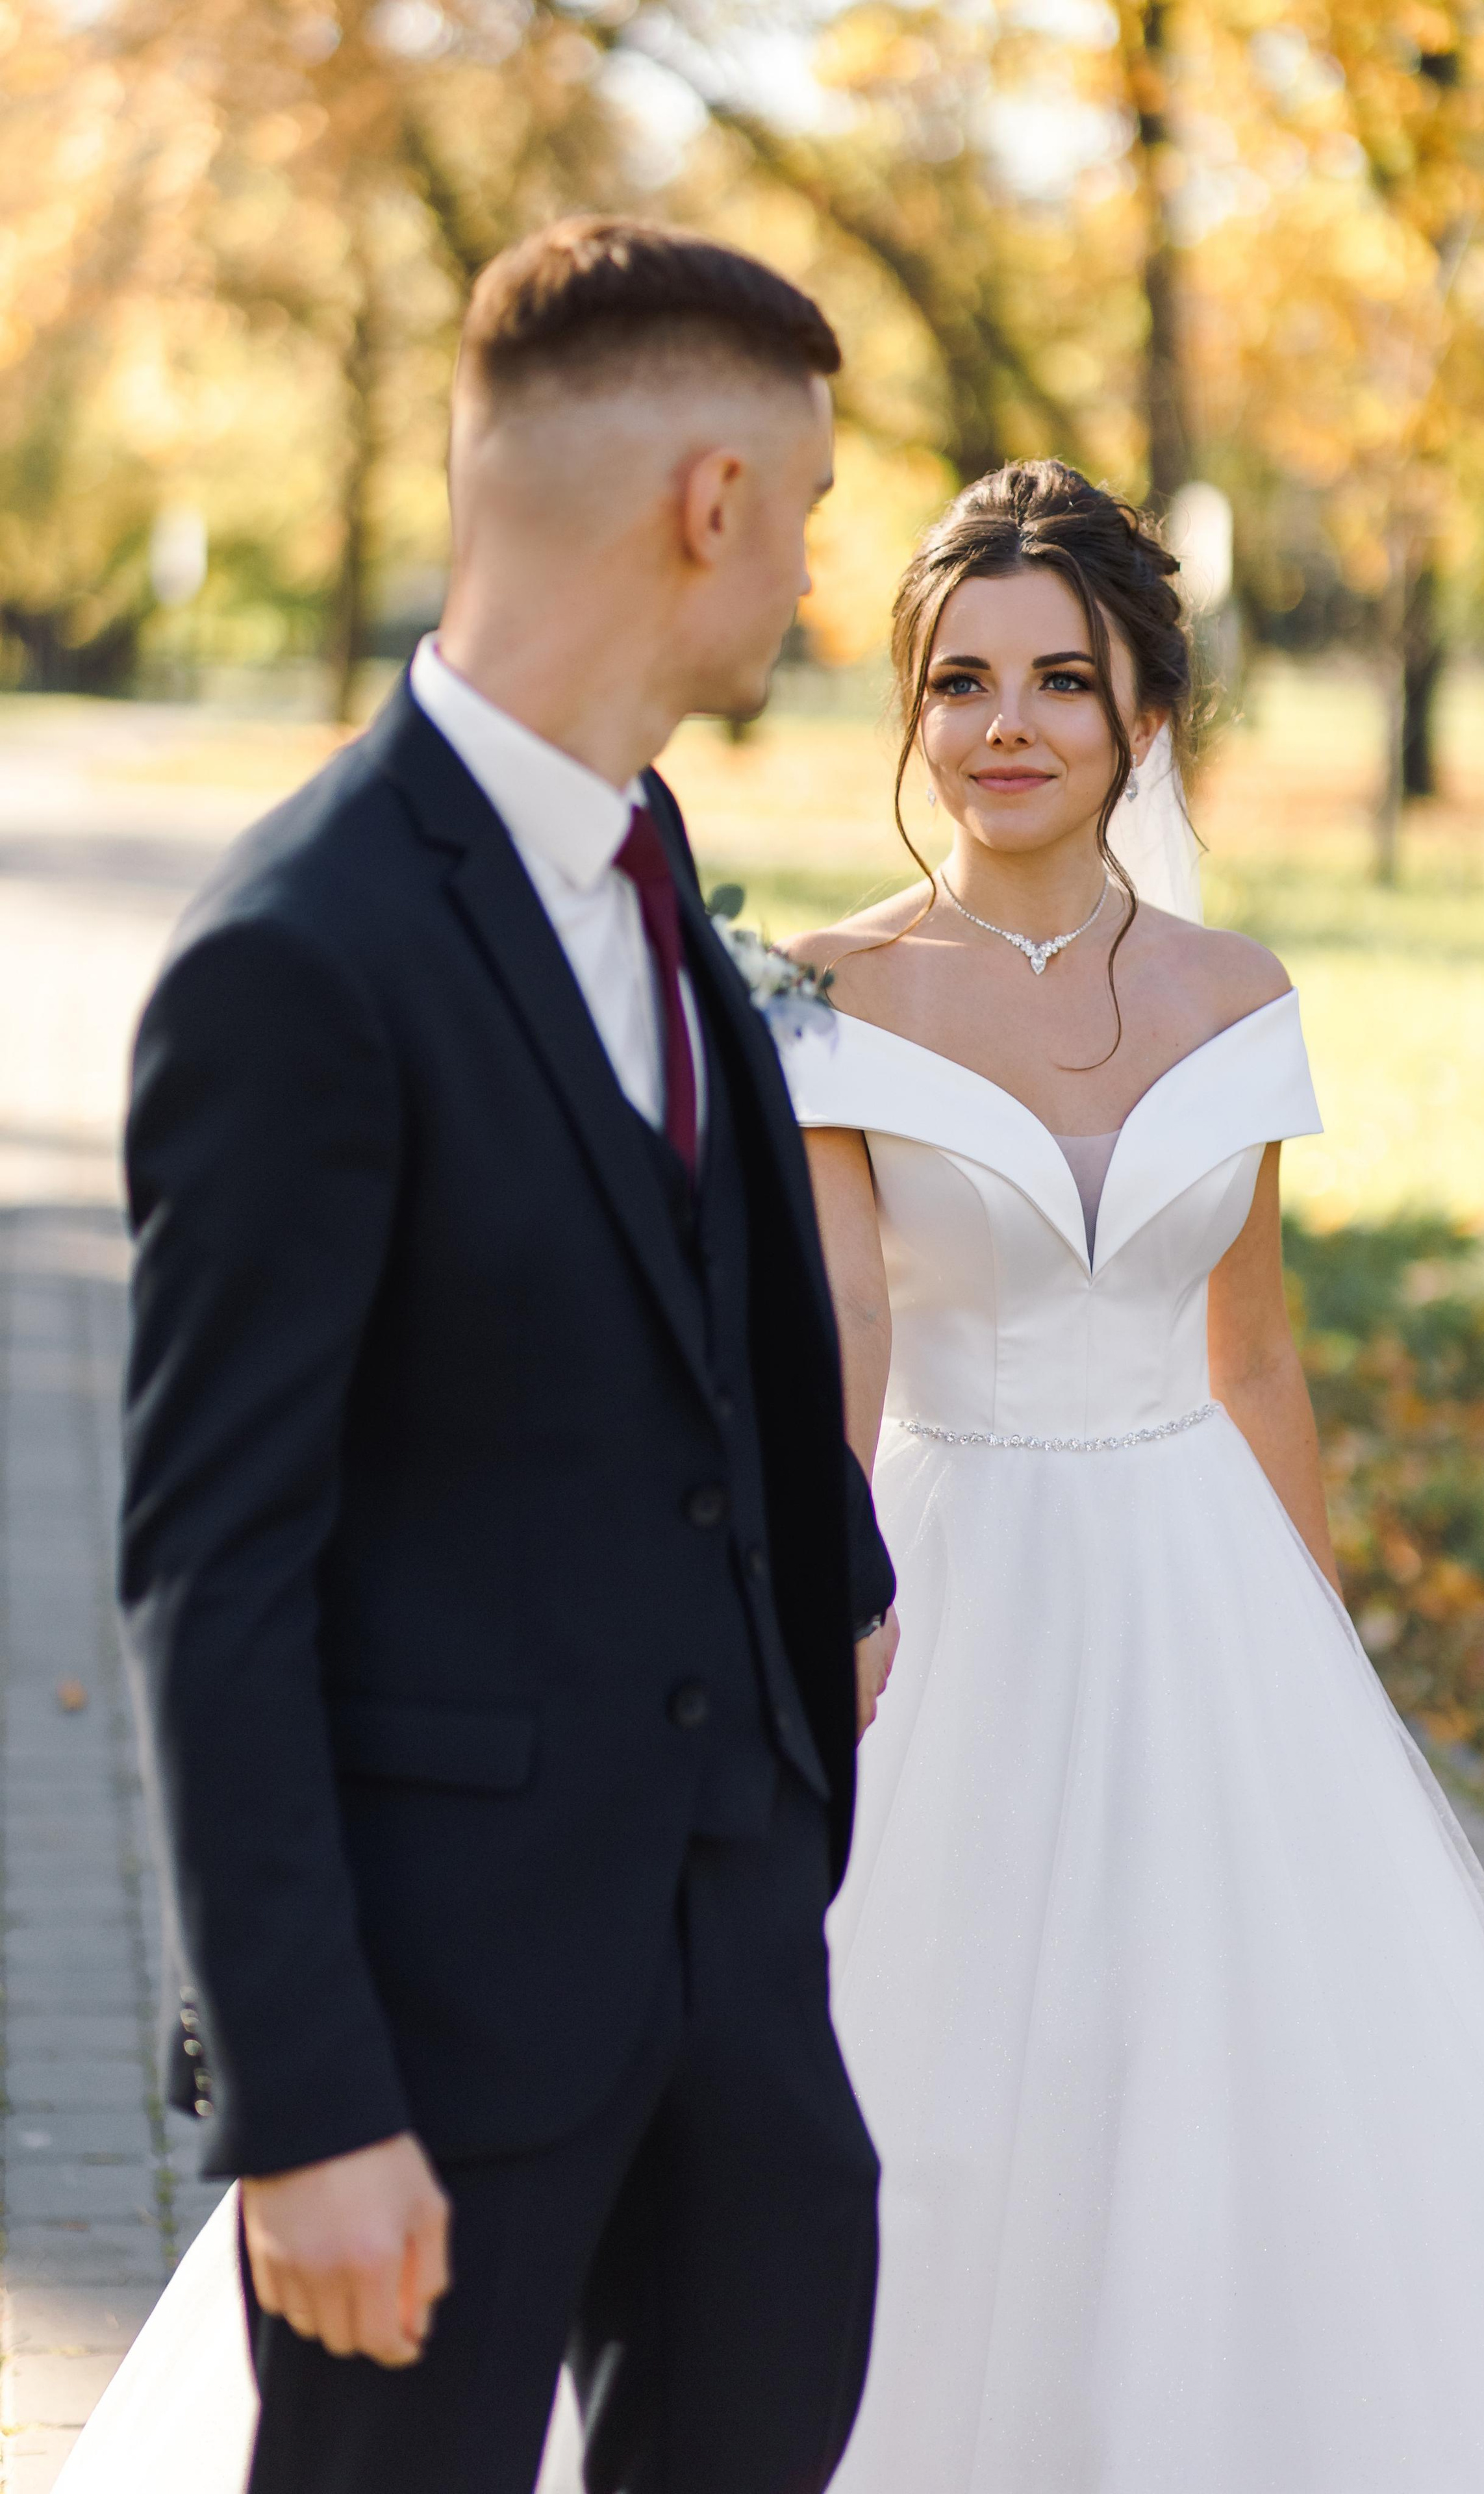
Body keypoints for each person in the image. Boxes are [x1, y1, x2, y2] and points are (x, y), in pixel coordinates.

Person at [73, 217, 896, 2494]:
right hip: (429, 2043)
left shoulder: (652, 860)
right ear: (707, 502)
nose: (815, 585)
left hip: (734, 1998)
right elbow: (210, 1575)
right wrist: (305, 2107)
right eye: (810, 517)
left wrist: (837, 1566)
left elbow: (691, 1293)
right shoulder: (296, 956)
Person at [783, 457, 1484, 2491]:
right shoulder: (823, 994)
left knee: (1230, 2076)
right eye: (960, 681)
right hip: (945, 1562)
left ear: (1143, 717)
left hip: (1200, 1578)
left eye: (1059, 683)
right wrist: (824, 1609)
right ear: (911, 712)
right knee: (936, 2066)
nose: (1005, 727)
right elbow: (843, 1340)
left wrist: (1317, 1656)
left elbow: (1250, 1345)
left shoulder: (1238, 994)